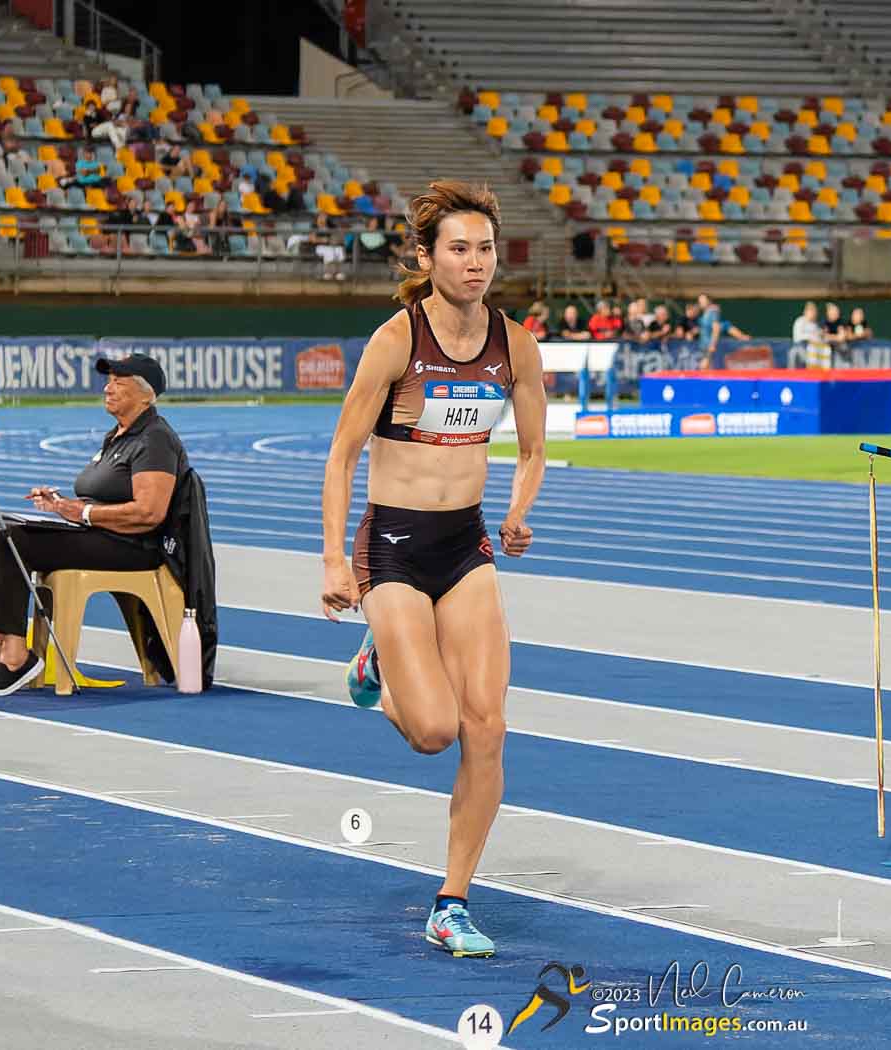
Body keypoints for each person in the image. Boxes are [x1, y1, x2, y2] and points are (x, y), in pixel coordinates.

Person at [320, 180, 546, 959]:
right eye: (459, 248)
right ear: (427, 257)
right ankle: (379, 657)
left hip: (467, 546)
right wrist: (331, 560)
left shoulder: (515, 345)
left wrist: (518, 513)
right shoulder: (396, 341)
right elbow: (343, 455)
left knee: (486, 731)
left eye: (485, 248)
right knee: (432, 731)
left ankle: (451, 901)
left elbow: (535, 450)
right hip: (392, 549)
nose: (476, 262)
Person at [0, 355, 185, 697]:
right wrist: (59, 505)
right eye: (108, 381)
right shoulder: (119, 435)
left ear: (145, 395)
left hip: (132, 546)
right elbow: (103, 497)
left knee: (9, 540)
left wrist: (82, 514)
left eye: (118, 383)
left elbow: (149, 513)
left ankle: (16, 658)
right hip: (100, 534)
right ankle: (0, 647)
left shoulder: (154, 439)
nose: (108, 389)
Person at [310, 212, 345, 281]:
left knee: (339, 249)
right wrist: (322, 240)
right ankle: (328, 272)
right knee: (329, 251)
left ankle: (338, 272)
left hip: (331, 245)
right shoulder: (314, 226)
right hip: (319, 246)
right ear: (317, 218)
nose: (323, 219)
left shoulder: (331, 226)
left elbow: (339, 235)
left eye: (324, 217)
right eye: (321, 217)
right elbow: (312, 239)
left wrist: (335, 239)